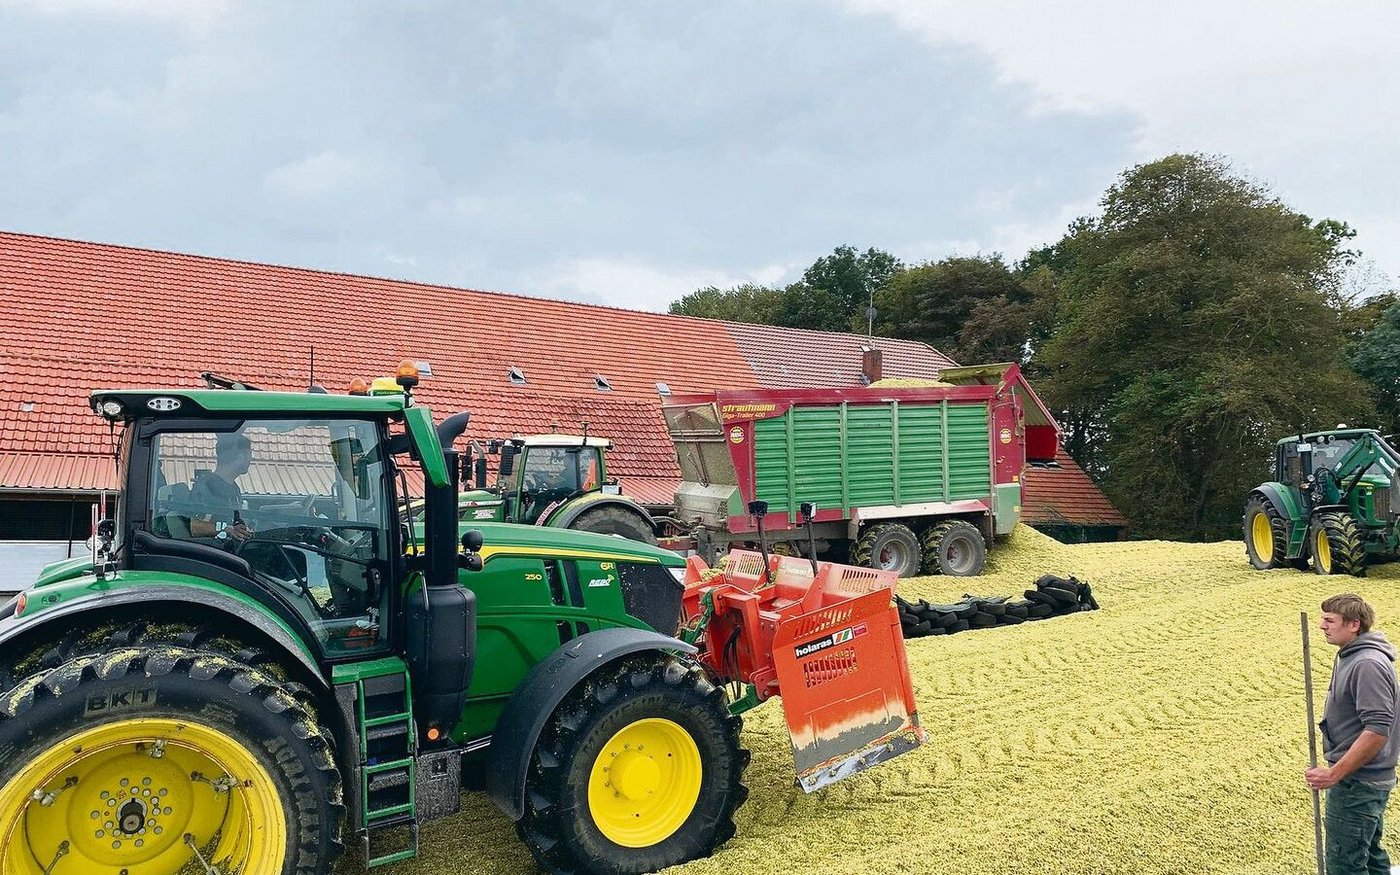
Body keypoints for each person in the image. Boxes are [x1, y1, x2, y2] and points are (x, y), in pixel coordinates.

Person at [1305, 593, 1400, 875]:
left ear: (1354, 624)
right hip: (1361, 779)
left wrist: (1334, 774)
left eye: (1330, 620)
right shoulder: (1351, 656)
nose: (1322, 626)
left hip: (1358, 783)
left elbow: (1377, 730)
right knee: (1369, 856)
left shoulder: (1366, 664)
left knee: (1345, 864)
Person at [189, 433, 254, 543]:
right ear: (240, 458)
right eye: (249, 455)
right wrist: (225, 529)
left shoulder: (234, 488)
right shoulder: (205, 487)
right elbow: (194, 526)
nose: (251, 459)